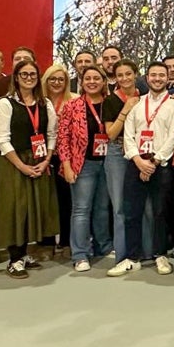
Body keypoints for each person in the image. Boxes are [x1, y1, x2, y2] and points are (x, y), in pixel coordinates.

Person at [0, 60, 59, 278]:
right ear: (16, 77)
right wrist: (22, 166)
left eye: (32, 74)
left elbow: (51, 134)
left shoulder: (45, 104)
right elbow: (1, 139)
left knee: (33, 209)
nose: (28, 78)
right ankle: (14, 258)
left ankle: (25, 253)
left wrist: (47, 159)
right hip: (14, 163)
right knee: (15, 208)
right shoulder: (6, 104)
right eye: (24, 74)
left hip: (39, 160)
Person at [115, 62, 174, 276]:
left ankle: (160, 255)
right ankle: (131, 257)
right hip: (136, 163)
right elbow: (128, 134)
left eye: (161, 75)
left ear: (167, 78)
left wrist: (154, 162)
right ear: (146, 78)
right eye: (153, 75)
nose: (157, 79)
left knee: (160, 212)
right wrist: (138, 160)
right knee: (131, 212)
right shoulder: (136, 103)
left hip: (160, 165)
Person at [57, 65, 113, 272]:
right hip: (82, 165)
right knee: (81, 210)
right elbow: (63, 138)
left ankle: (103, 246)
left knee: (102, 208)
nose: (92, 81)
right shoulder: (72, 106)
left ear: (103, 81)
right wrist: (67, 166)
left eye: (96, 78)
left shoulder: (110, 103)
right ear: (81, 82)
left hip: (108, 163)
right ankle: (80, 253)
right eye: (87, 78)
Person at [103, 59, 142, 268]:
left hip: (141, 151)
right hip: (118, 152)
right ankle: (122, 255)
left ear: (135, 73)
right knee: (119, 207)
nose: (125, 78)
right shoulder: (111, 100)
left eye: (128, 73)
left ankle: (144, 252)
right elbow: (110, 134)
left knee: (142, 205)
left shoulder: (145, 95)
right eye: (120, 75)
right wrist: (126, 109)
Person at [41, 64, 74, 255]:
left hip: (66, 158)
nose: (56, 83)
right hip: (42, 156)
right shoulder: (38, 103)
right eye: (52, 79)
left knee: (66, 199)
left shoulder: (74, 101)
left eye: (61, 79)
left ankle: (66, 240)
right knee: (45, 199)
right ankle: (46, 242)